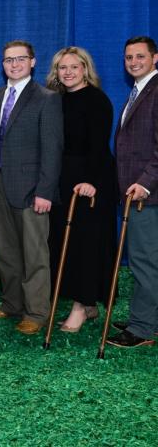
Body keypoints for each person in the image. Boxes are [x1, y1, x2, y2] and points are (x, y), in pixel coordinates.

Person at [0, 40, 63, 335]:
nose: (14, 64)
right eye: (8, 60)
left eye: (20, 59)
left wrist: (45, 191)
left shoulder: (47, 98)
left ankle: (37, 312)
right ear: (2, 64)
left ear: (32, 62)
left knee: (34, 254)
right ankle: (12, 305)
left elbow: (53, 149)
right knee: (5, 251)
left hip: (32, 189)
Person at [43, 47, 117, 333]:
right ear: (56, 72)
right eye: (63, 68)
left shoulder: (98, 101)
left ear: (85, 69)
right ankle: (87, 303)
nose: (69, 72)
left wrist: (91, 182)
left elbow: (99, 147)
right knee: (66, 243)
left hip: (91, 180)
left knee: (87, 244)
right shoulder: (56, 100)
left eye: (75, 67)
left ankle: (80, 307)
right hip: (63, 179)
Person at [108, 36, 158, 348]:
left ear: (155, 58)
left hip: (147, 195)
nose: (133, 62)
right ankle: (147, 315)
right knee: (147, 259)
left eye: (140, 56)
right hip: (136, 193)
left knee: (144, 261)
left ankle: (142, 329)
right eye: (128, 57)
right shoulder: (139, 91)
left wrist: (146, 182)